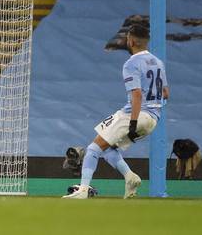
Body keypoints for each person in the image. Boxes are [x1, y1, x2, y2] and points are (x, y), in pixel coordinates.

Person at [63, 24, 170, 199]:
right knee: (108, 148)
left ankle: (82, 190)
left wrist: (134, 121)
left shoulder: (131, 63)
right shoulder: (158, 63)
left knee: (93, 148)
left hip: (136, 115)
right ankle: (130, 177)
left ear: (132, 41)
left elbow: (136, 94)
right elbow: (165, 93)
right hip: (154, 118)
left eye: (128, 38)